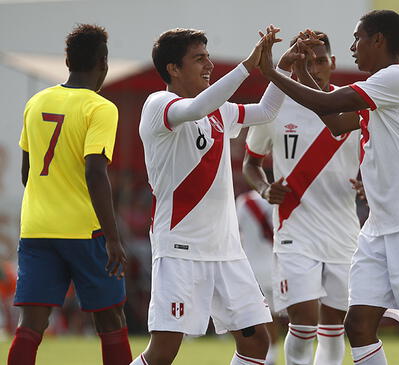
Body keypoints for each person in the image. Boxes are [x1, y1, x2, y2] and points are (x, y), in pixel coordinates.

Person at [258, 10, 399, 365]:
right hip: (378, 227)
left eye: (357, 38)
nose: (352, 47)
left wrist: (272, 71)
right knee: (358, 325)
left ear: (378, 40)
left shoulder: (397, 78)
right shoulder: (380, 93)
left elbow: (328, 104)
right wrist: (301, 70)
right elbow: (334, 122)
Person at [130, 27, 318, 365]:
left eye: (208, 57)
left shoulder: (220, 111)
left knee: (257, 342)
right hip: (180, 249)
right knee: (163, 352)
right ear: (173, 68)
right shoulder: (160, 105)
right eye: (198, 58)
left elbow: (265, 113)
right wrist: (248, 65)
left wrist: (283, 70)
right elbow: (198, 107)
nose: (209, 64)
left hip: (227, 251)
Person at [9, 24, 132, 365]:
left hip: (36, 229)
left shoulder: (37, 101)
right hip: (84, 231)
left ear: (68, 61)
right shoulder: (100, 107)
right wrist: (112, 237)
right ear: (103, 62)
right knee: (110, 320)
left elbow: (26, 173)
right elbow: (96, 171)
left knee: (31, 325)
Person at [243, 31, 360, 365]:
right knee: (304, 320)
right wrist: (265, 189)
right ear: (294, 64)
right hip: (295, 230)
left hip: (344, 231)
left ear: (333, 63)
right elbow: (251, 162)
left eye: (320, 60)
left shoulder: (353, 103)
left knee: (335, 326)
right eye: (306, 60)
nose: (315, 67)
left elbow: (378, 154)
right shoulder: (276, 108)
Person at [235, 189, 282, 365]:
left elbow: (237, 232)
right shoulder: (277, 200)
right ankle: (272, 355)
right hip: (275, 262)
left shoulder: (243, 201)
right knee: (277, 315)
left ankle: (266, 356)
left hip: (250, 264)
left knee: (259, 314)